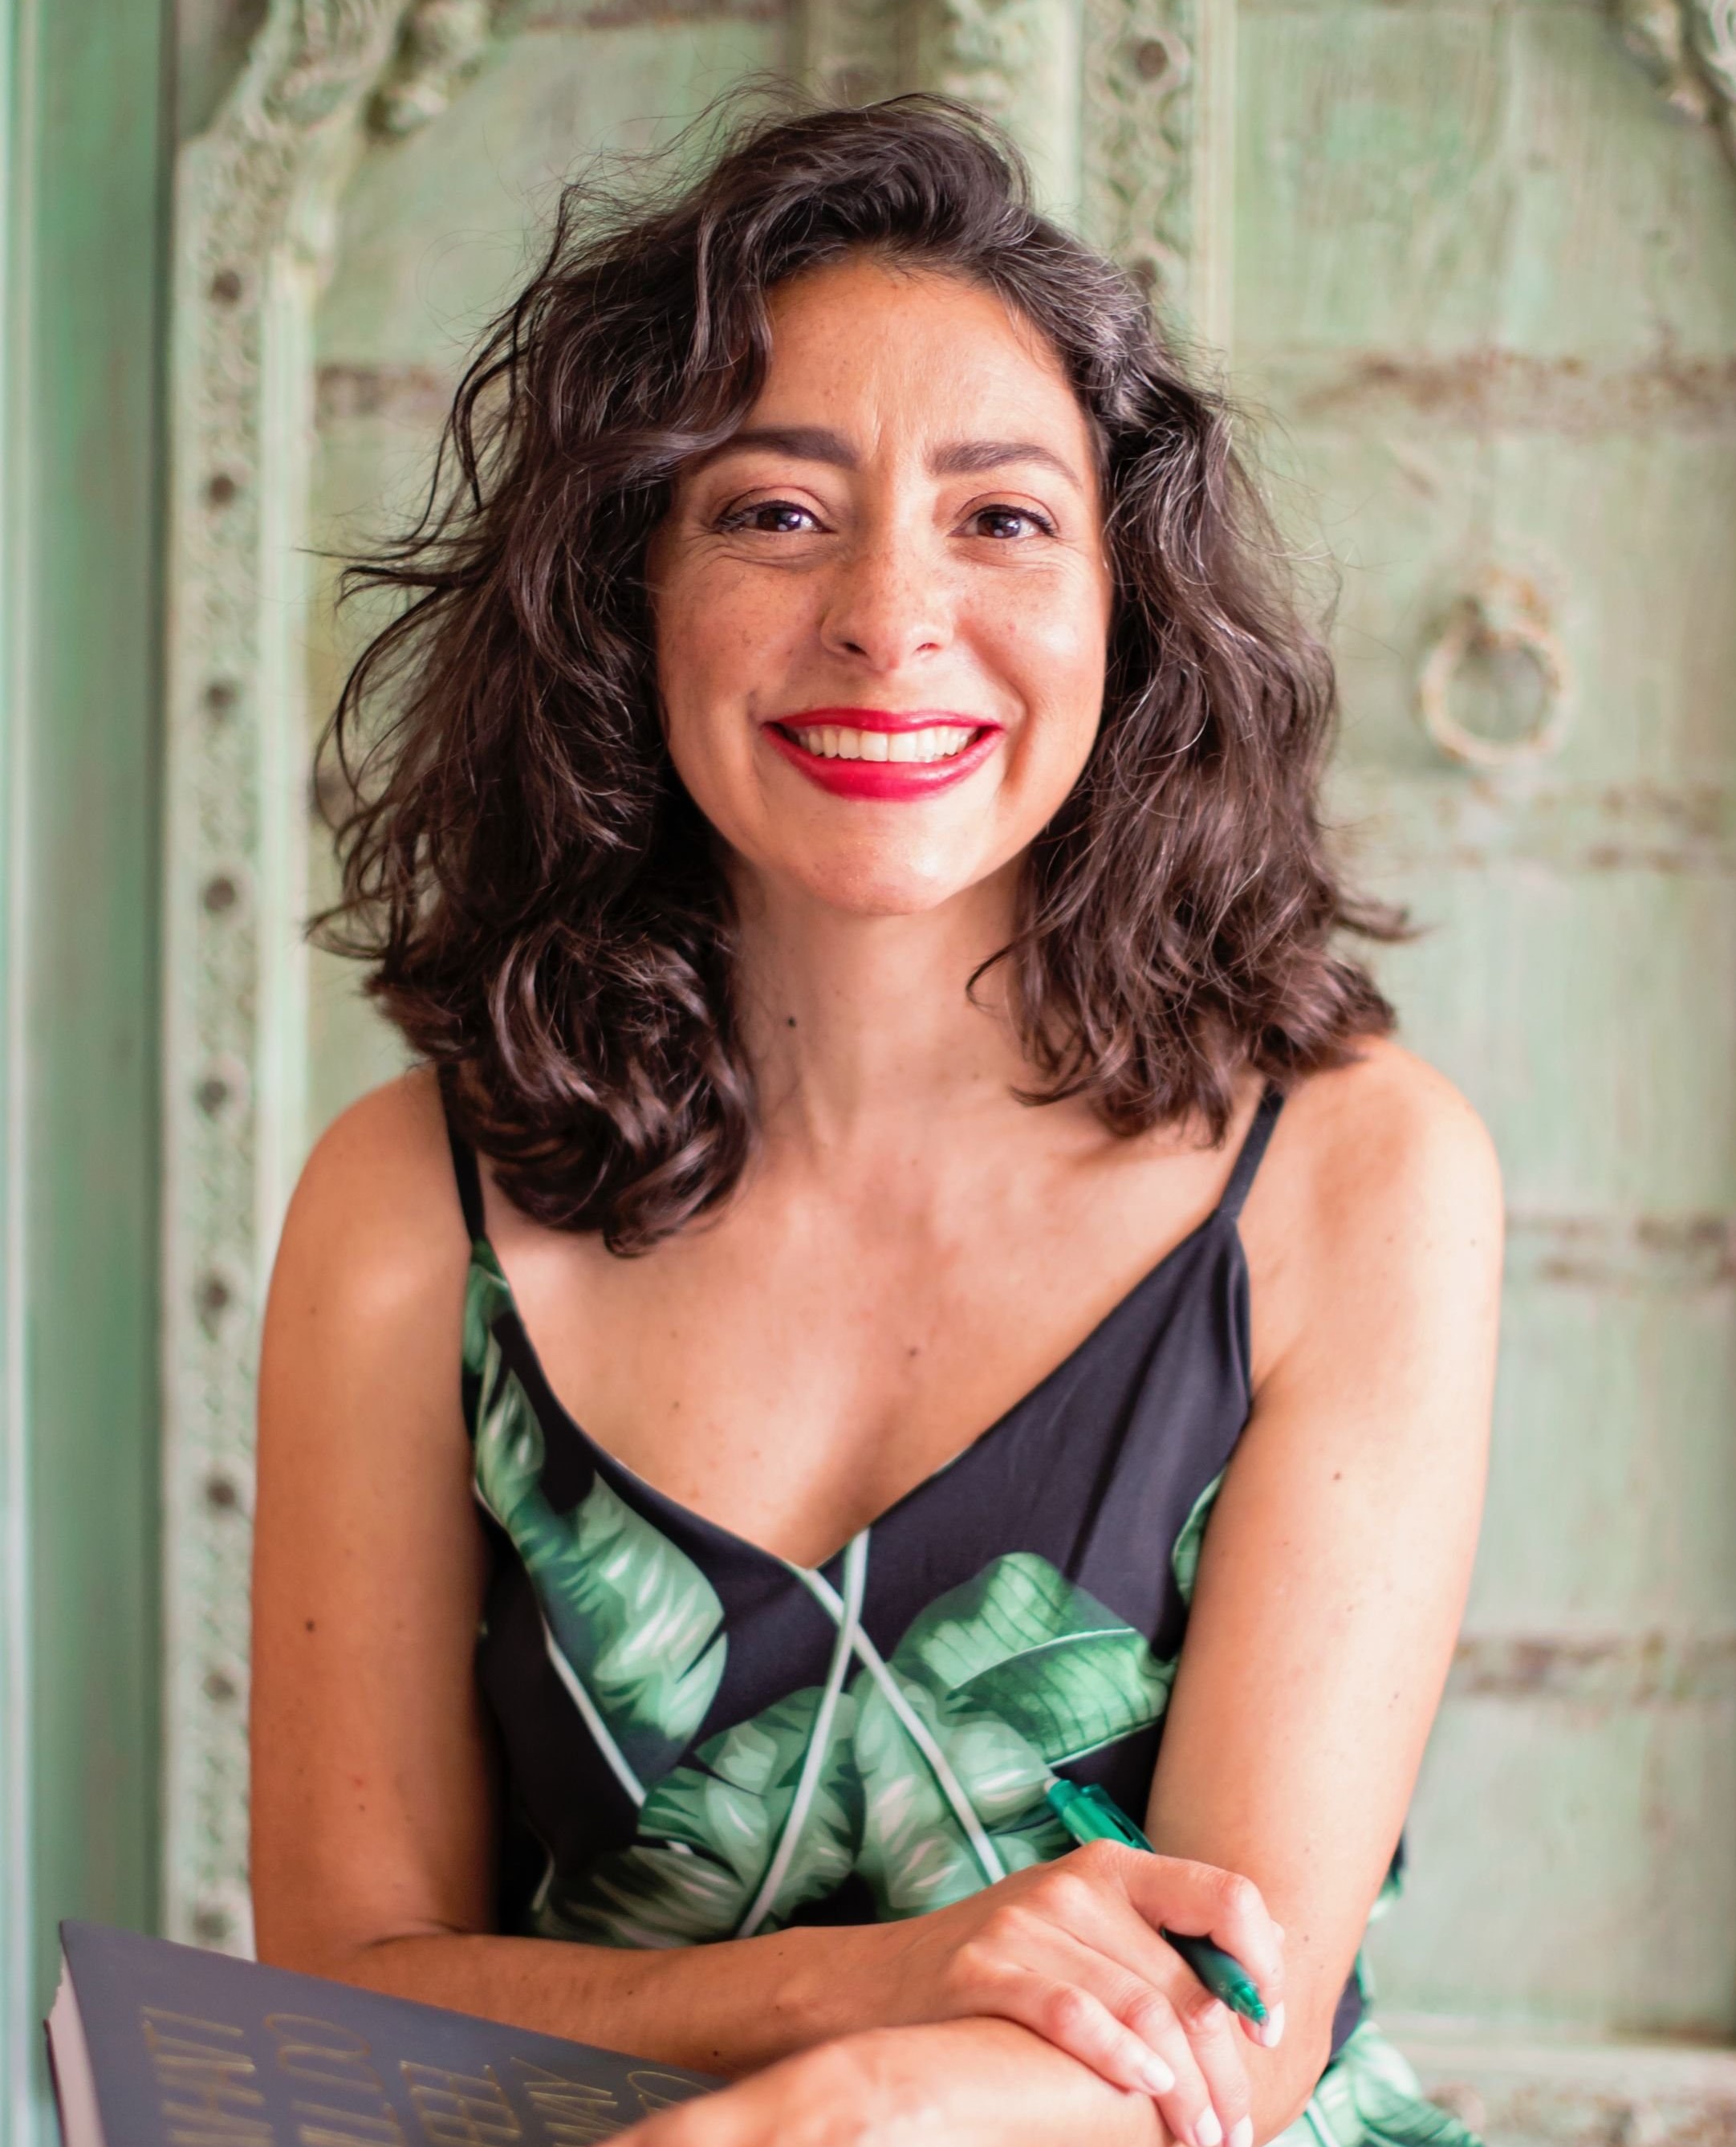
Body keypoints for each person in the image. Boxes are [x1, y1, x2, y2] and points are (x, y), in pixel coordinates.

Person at [250, 96, 1502, 2147]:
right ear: (623, 593)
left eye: (1000, 520)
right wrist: (863, 1990)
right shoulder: (405, 1204)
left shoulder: (1355, 1176)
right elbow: (340, 1998)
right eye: (772, 512)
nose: (887, 617)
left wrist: (807, 2118)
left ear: (1125, 608)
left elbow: (1234, 2036)